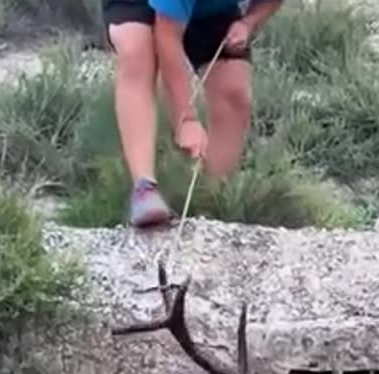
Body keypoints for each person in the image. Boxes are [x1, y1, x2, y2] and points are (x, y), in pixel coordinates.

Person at [102, 0, 283, 228]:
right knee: (137, 49)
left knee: (233, 91)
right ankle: (144, 189)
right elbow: (167, 38)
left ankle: (211, 200)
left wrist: (248, 23)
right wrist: (185, 119)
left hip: (208, 7)